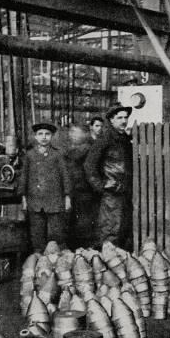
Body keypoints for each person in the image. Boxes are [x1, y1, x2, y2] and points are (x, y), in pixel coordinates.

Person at [84, 103, 133, 250]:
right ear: (111, 120)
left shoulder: (123, 138)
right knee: (111, 230)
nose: (124, 121)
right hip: (112, 193)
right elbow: (89, 165)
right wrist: (102, 185)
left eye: (125, 117)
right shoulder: (105, 138)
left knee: (123, 229)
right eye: (119, 118)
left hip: (124, 191)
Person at [19, 121, 71, 252]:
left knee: (56, 233)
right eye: (40, 134)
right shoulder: (30, 155)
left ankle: (57, 261)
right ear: (35, 137)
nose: (44, 137)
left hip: (54, 201)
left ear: (52, 136)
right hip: (35, 201)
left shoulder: (58, 154)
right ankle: (39, 260)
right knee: (37, 234)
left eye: (47, 134)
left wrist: (67, 197)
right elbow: (24, 177)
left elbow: (65, 176)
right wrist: (23, 198)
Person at [64, 125, 98, 250]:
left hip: (85, 192)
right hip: (74, 191)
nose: (71, 134)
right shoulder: (71, 150)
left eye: (75, 132)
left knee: (84, 224)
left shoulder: (88, 149)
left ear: (85, 134)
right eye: (71, 132)